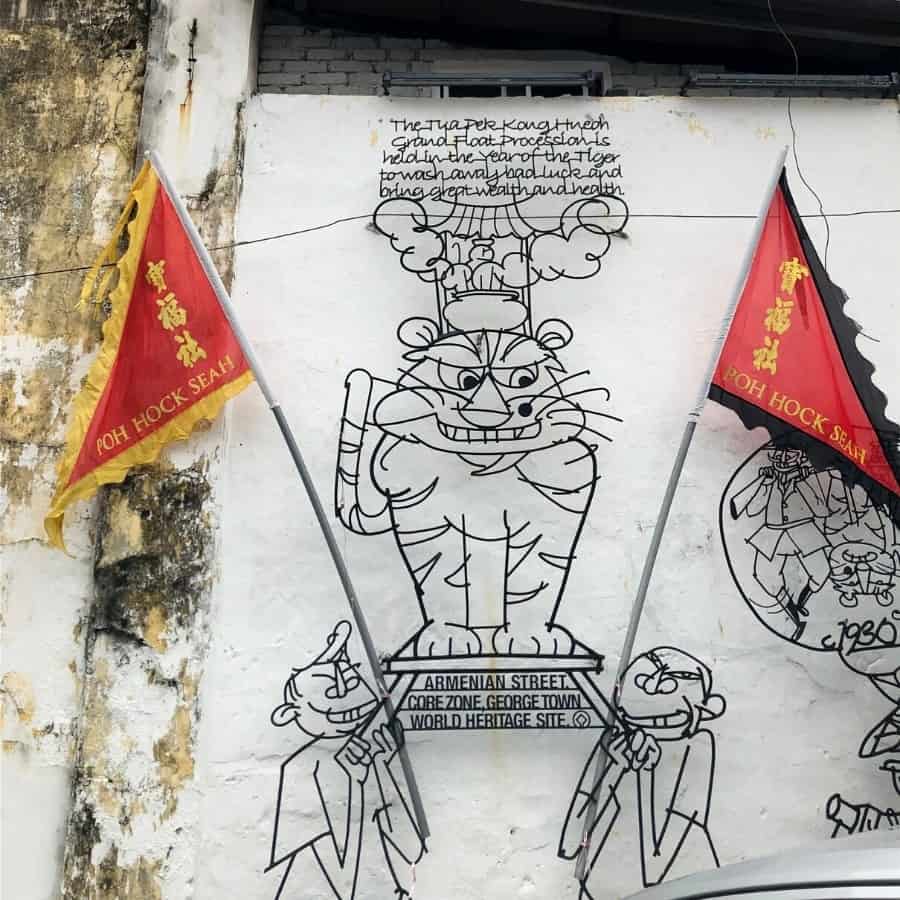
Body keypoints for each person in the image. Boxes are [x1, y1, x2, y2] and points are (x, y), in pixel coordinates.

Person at [267, 621, 425, 899]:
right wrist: (356, 772)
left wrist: (382, 763)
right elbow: (338, 879)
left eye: (351, 682)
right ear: (290, 712)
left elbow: (410, 851)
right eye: (331, 693)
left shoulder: (365, 754)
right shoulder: (303, 768)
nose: (349, 698)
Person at [559, 647, 725, 894]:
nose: (654, 687)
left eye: (668, 682)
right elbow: (572, 843)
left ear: (705, 709)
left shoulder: (697, 745)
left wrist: (642, 771)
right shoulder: (615, 743)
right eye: (646, 680)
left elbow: (656, 865)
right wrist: (614, 767)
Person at [730, 442, 830, 639]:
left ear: (799, 458)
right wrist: (764, 483)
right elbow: (748, 509)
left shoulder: (806, 480)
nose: (783, 461)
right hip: (773, 533)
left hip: (803, 530)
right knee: (766, 577)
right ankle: (795, 617)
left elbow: (821, 510)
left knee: (821, 572)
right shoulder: (769, 480)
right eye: (778, 456)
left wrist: (805, 482)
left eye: (789, 456)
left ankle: (801, 603)